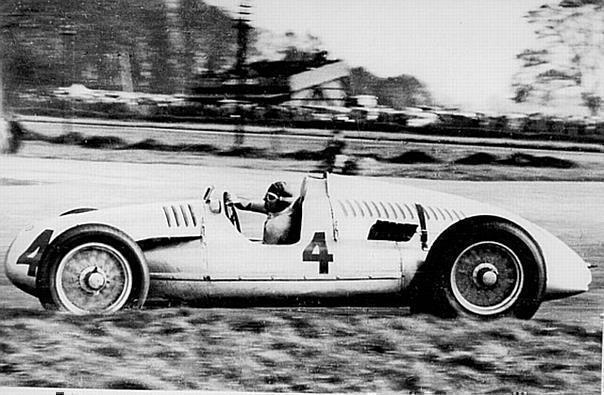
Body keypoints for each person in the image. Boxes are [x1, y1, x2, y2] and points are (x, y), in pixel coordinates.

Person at [225, 181, 302, 245]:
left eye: (270, 197)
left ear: (281, 202)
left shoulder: (277, 225)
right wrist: (235, 200)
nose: (265, 199)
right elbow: (248, 205)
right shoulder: (278, 210)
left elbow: (268, 250)